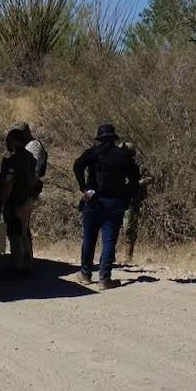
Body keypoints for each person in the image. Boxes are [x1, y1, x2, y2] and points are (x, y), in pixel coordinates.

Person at [72, 124, 141, 290]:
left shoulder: (92, 153)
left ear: (100, 138)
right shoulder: (123, 155)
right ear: (113, 138)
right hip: (115, 202)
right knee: (109, 241)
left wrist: (84, 188)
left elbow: (77, 166)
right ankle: (104, 279)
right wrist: (127, 195)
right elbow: (134, 178)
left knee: (89, 238)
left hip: (93, 200)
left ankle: (86, 274)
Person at [0, 128, 37, 278]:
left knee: (15, 234)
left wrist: (1, 201)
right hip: (28, 200)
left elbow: (9, 184)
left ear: (13, 141)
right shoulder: (30, 158)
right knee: (24, 232)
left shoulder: (12, 161)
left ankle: (18, 267)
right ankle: (28, 263)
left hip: (15, 201)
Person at [120, 142, 153, 264]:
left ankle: (128, 256)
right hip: (117, 200)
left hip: (131, 201)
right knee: (111, 228)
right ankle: (109, 255)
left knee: (129, 228)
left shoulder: (138, 165)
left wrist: (137, 183)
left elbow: (150, 178)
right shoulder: (116, 164)